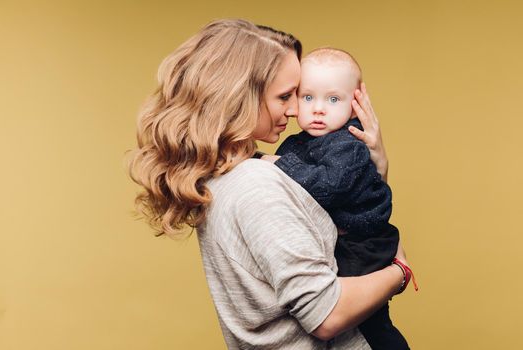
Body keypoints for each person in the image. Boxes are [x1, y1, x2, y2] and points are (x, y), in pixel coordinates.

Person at [127, 19, 412, 349]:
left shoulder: (230, 173)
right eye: (285, 96)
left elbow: (340, 210)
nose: (295, 111)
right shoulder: (257, 184)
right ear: (240, 97)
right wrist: (400, 271)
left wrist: (377, 166)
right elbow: (327, 315)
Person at [261, 47, 416, 349]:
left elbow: (328, 187)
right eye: (308, 97)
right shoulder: (296, 142)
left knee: (365, 320)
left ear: (355, 104)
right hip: (343, 239)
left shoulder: (349, 143)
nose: (318, 109)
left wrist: (276, 163)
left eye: (333, 99)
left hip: (362, 242)